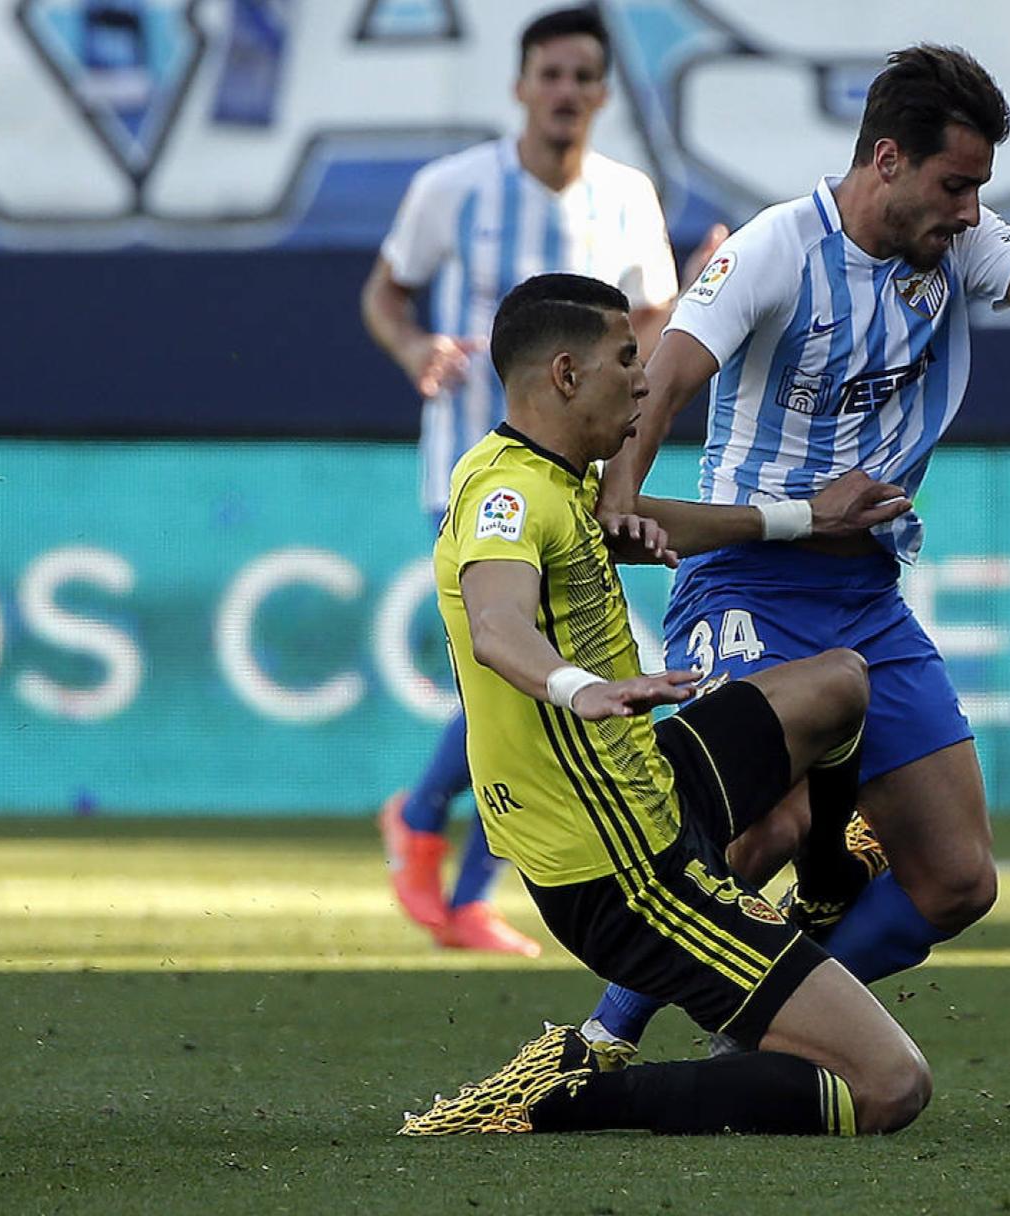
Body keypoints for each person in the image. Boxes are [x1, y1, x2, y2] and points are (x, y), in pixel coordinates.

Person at [577, 44, 1010, 1057]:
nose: (970, 211)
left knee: (958, 881)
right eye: (955, 185)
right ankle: (597, 1040)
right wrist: (620, 499)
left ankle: (755, 1032)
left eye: (979, 191)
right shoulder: (773, 250)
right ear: (888, 158)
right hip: (747, 582)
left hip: (865, 596)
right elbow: (664, 379)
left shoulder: (956, 246)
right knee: (771, 827)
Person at [401, 272, 927, 1137]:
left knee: (839, 683)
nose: (644, 382)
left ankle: (826, 876)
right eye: (626, 359)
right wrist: (586, 688)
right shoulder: (511, 498)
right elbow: (497, 627)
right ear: (566, 374)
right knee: (890, 1085)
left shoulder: (545, 473)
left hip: (649, 780)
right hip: (623, 869)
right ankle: (568, 1097)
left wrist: (807, 521)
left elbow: (645, 522)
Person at [362, 4, 719, 955]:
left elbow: (641, 333)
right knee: (521, 665)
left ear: (604, 93)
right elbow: (385, 289)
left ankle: (445, 845)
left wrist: (698, 287)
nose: (566, 93)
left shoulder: (627, 195)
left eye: (583, 78)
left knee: (534, 683)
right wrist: (413, 350)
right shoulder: (453, 188)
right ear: (521, 85)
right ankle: (447, 846)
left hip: (581, 477)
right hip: (473, 468)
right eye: (550, 75)